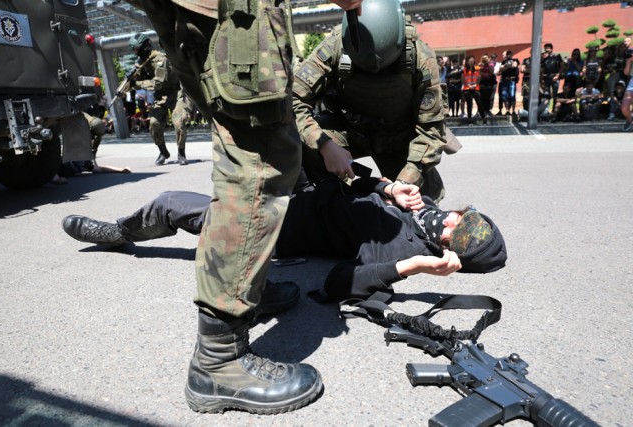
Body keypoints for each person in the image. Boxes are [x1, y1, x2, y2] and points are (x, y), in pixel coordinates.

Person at [123, 0, 363, 416]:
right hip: (233, 9)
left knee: (239, 145)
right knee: (260, 161)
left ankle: (247, 290)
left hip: (193, 11)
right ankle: (218, 363)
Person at [61, 177, 507, 301]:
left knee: (174, 203)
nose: (450, 221)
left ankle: (119, 233)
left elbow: (337, 284)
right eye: (464, 218)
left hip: (280, 222)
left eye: (458, 235)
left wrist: (410, 269)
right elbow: (356, 184)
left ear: (452, 255)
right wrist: (385, 188)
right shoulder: (423, 205)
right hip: (304, 185)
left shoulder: (406, 251)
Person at [292, 0, 449, 202]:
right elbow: (293, 100)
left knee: (418, 204)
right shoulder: (334, 46)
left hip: (399, 139)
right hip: (350, 132)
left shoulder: (421, 59)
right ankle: (339, 201)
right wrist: (324, 145)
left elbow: (431, 132)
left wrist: (402, 183)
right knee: (298, 145)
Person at [127, 33, 184, 166]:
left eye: (137, 49)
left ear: (145, 46)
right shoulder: (142, 61)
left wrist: (136, 84)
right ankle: (163, 151)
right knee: (153, 123)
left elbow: (158, 83)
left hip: (175, 94)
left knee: (178, 123)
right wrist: (131, 78)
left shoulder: (159, 59)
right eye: (134, 50)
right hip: (160, 96)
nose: (136, 52)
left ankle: (182, 153)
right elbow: (140, 78)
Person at [540, 43, 564, 113]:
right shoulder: (544, 58)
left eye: (548, 48)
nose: (547, 49)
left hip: (555, 78)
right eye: (545, 48)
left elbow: (562, 66)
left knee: (555, 94)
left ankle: (554, 110)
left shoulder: (557, 56)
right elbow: (542, 69)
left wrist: (557, 75)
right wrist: (542, 80)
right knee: (546, 94)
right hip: (546, 78)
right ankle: (546, 110)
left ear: (551, 49)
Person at [497, 50, 520, 116]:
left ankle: (513, 111)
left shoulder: (515, 60)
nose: (509, 55)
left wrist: (505, 66)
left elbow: (514, 66)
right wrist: (507, 66)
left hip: (512, 81)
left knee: (512, 95)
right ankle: (507, 110)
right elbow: (501, 69)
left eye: (510, 54)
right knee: (504, 95)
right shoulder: (503, 62)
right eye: (508, 54)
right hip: (504, 80)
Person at [461, 55, 483, 123]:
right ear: (467, 62)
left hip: (475, 87)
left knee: (479, 102)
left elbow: (479, 76)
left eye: (472, 61)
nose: (471, 62)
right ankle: (469, 117)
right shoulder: (464, 70)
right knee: (469, 103)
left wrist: (476, 84)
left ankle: (482, 116)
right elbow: (463, 79)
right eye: (470, 61)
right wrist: (468, 85)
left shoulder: (477, 68)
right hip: (467, 88)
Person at [478, 54, 496, 119]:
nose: (485, 60)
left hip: (489, 82)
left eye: (486, 58)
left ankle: (487, 111)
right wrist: (483, 73)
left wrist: (488, 64)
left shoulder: (490, 64)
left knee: (488, 97)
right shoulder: (480, 65)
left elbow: (491, 72)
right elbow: (478, 71)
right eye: (483, 58)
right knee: (482, 97)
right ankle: (481, 111)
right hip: (482, 82)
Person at [621, 37, 633, 131]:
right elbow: (626, 73)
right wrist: (628, 62)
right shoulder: (628, 54)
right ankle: (630, 120)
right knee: (624, 107)